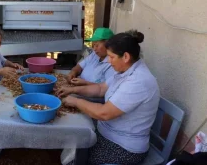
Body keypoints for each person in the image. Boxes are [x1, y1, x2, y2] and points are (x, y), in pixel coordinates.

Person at [56, 31, 160, 165]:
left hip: (123, 147)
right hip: (106, 133)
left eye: (111, 57)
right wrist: (72, 90)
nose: (109, 62)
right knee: (74, 138)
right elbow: (100, 89)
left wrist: (76, 101)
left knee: (77, 153)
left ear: (126, 57)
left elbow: (104, 113)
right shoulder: (125, 71)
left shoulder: (138, 81)